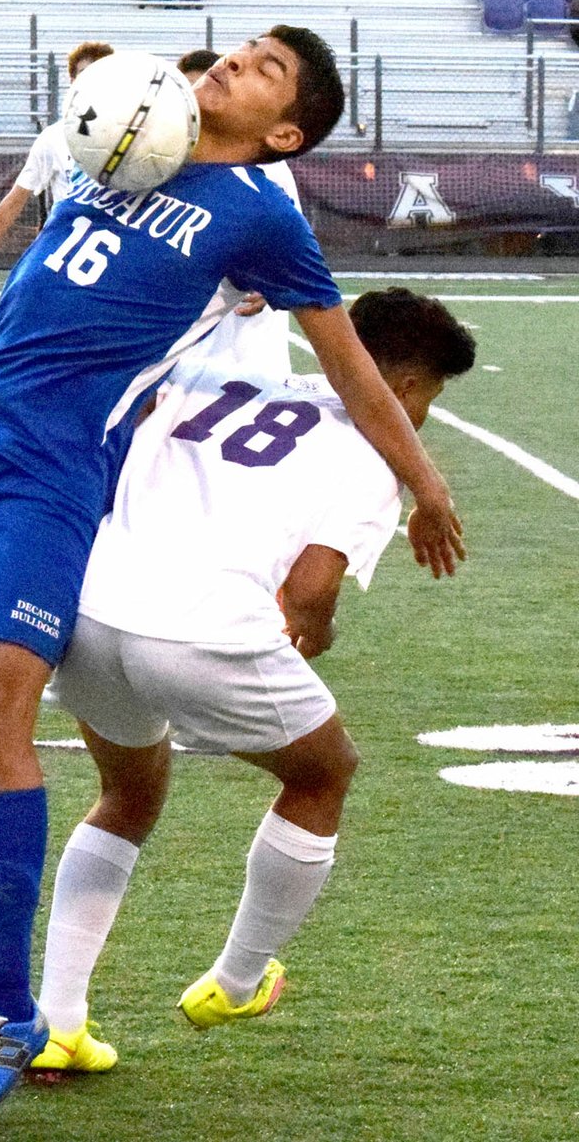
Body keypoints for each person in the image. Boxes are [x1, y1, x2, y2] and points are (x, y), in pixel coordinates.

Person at [0, 27, 464, 1128]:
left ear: (283, 131)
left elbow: (350, 367)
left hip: (47, 476)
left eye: (262, 70)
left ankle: (6, 1013)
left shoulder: (260, 216)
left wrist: (423, 485)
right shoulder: (136, 139)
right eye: (233, 51)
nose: (231, 63)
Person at [30, 288, 477, 1074]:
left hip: (92, 615)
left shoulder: (222, 380)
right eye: (431, 398)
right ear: (405, 389)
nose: (425, 415)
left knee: (125, 794)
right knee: (324, 772)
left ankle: (59, 1020)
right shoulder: (379, 446)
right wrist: (320, 632)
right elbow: (308, 593)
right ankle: (236, 981)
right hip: (205, 632)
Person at [0, 40, 114, 306]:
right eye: (84, 75)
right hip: (68, 259)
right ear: (72, 81)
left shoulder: (137, 140)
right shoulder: (54, 138)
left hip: (119, 257)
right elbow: (13, 202)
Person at [178, 47, 299, 377]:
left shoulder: (268, 172)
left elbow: (292, 257)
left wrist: (272, 280)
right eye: (190, 94)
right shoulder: (165, 163)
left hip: (247, 357)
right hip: (182, 356)